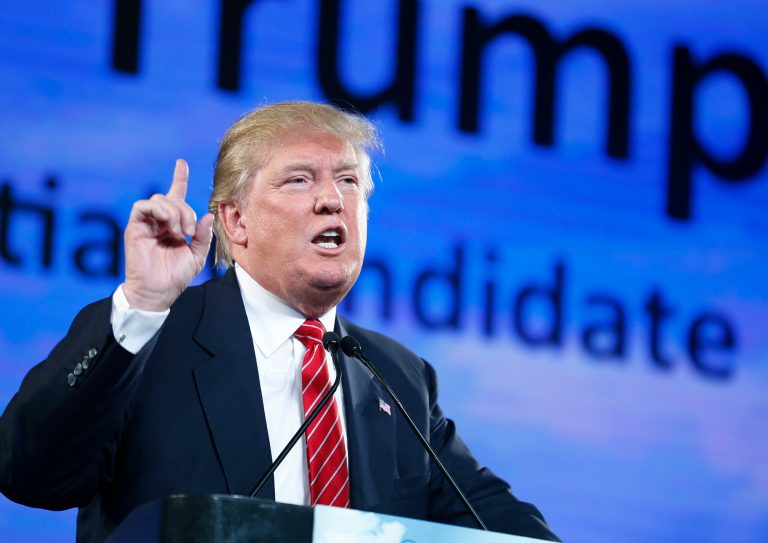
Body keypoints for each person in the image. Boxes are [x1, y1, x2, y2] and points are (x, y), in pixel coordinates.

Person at [0, 102, 560, 542]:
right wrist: (143, 303)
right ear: (235, 222)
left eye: (348, 182)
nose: (332, 201)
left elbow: (499, 526)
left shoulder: (399, 376)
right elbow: (31, 474)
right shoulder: (150, 336)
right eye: (299, 180)